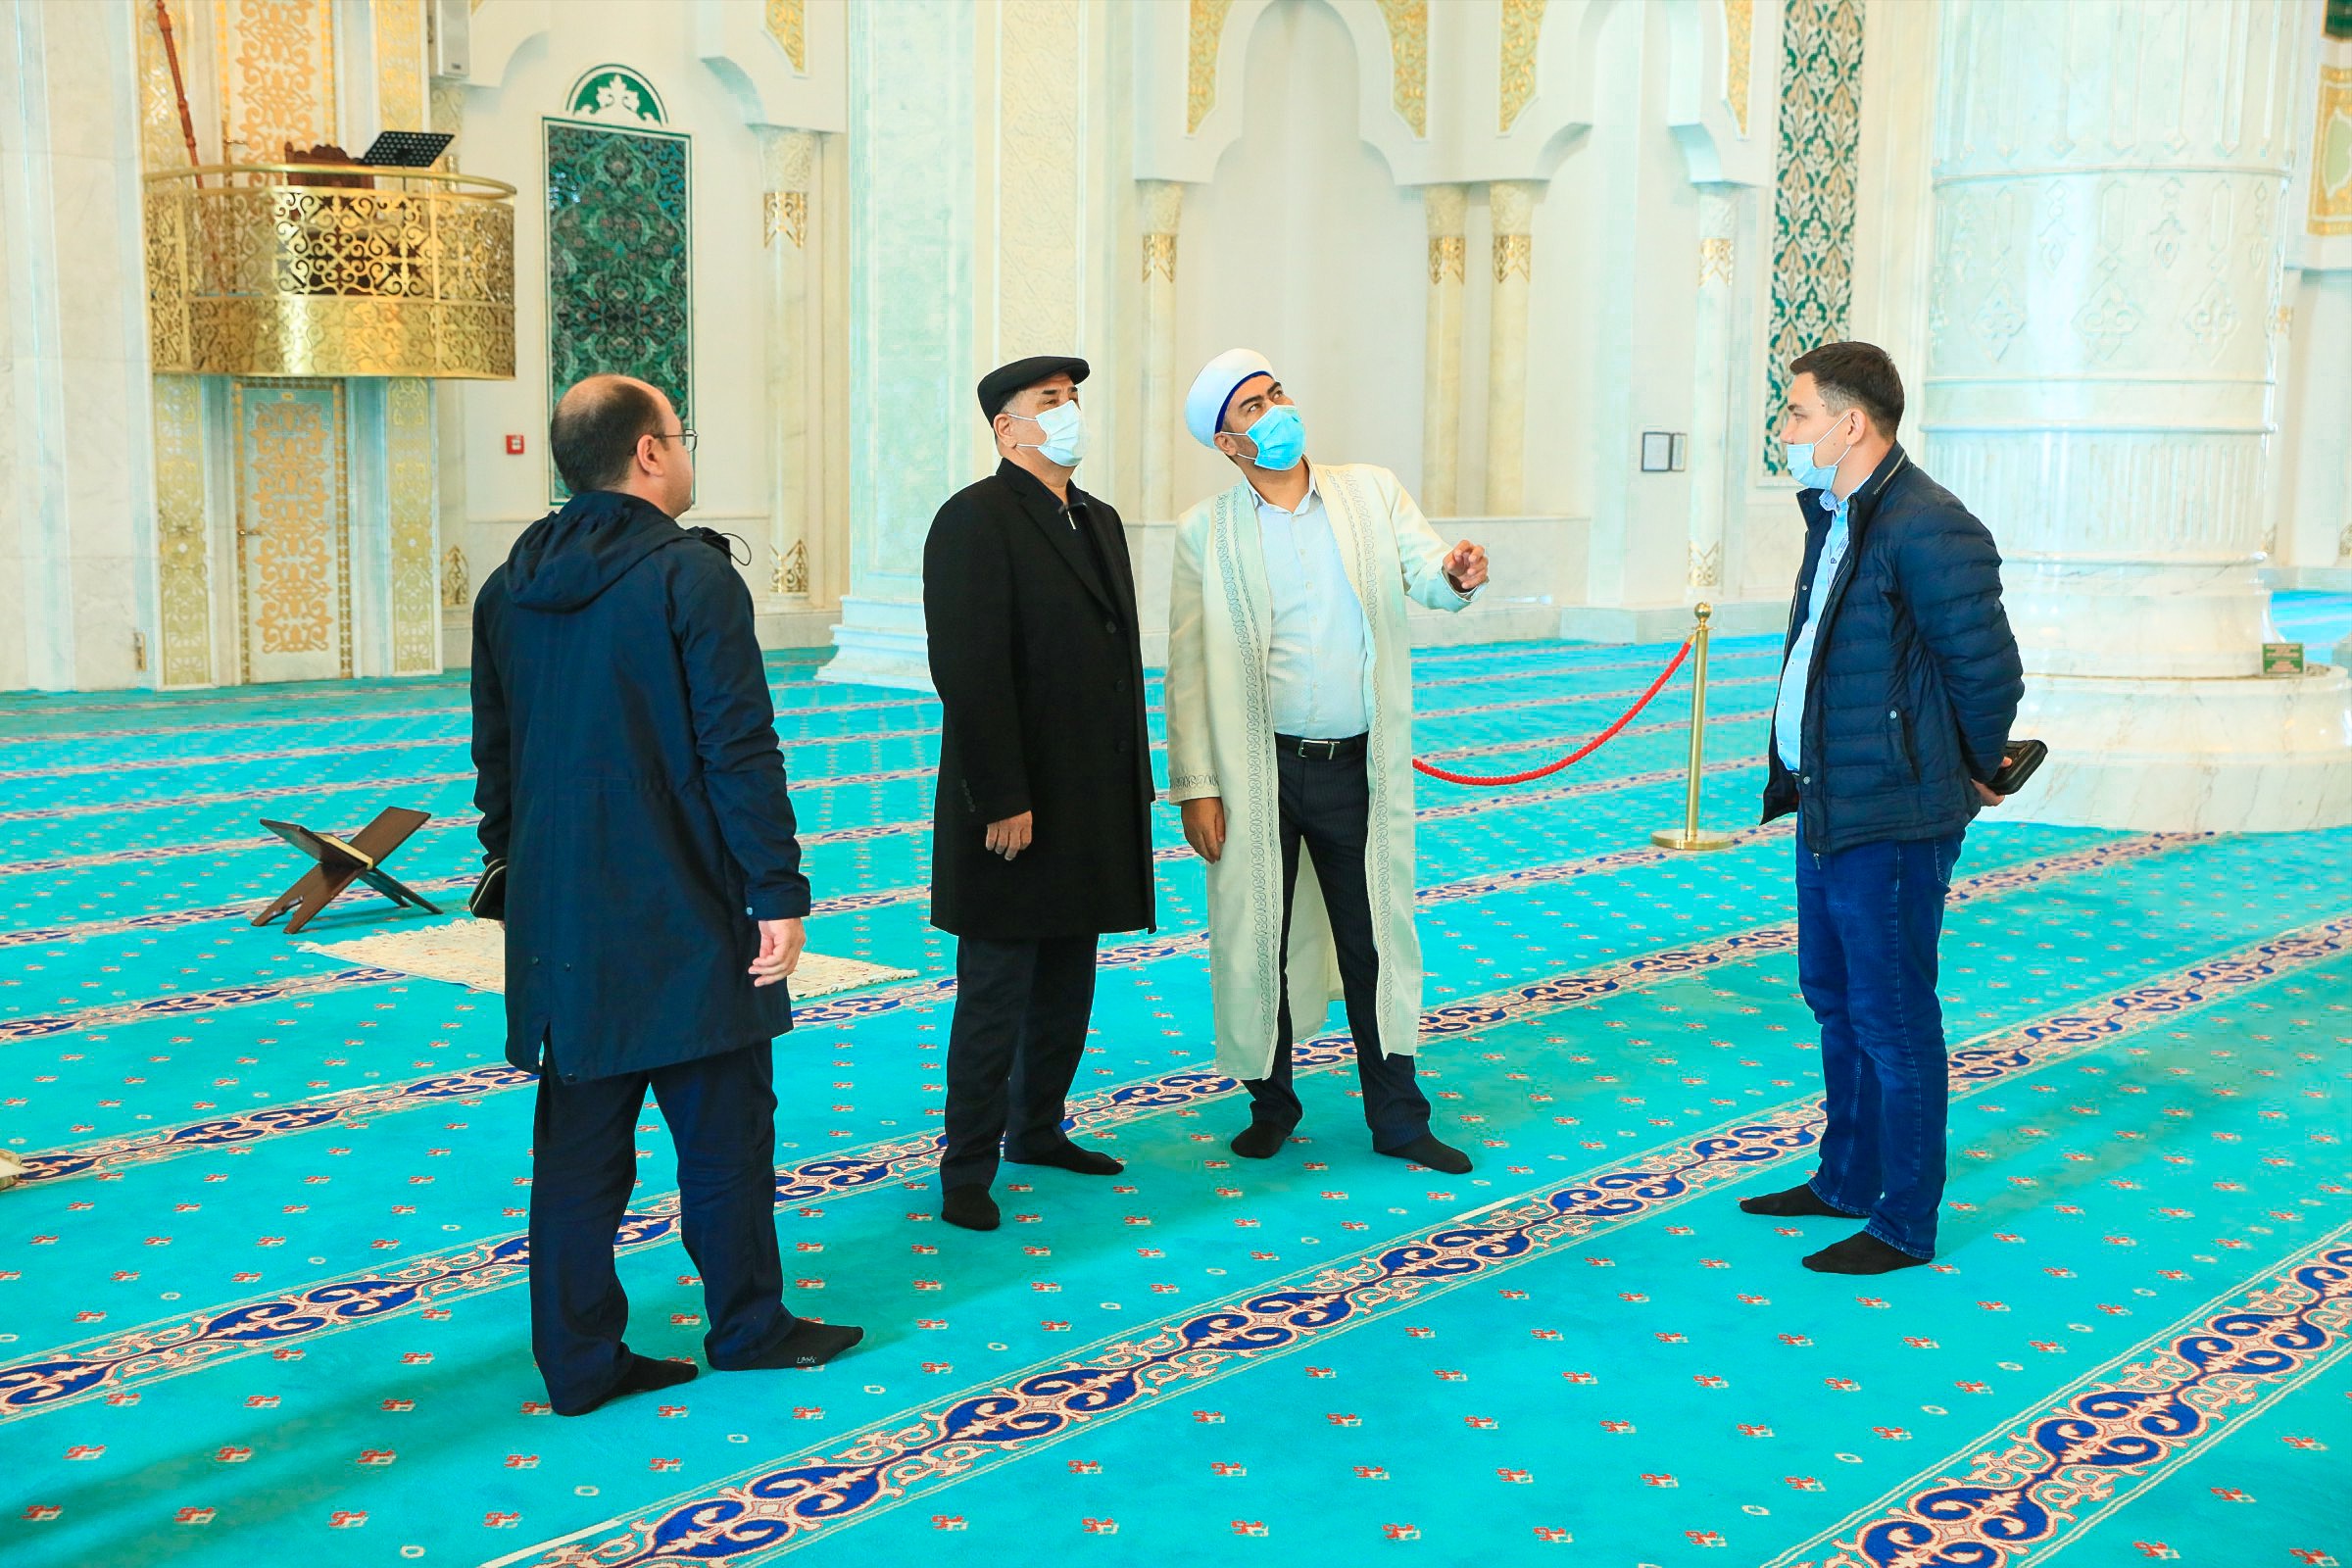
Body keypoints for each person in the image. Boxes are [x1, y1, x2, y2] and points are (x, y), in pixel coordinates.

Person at [471, 374, 861, 1415]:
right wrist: (776, 887)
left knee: (577, 1155)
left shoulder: (508, 587)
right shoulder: (692, 576)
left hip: (563, 923)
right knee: (724, 1136)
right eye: (680, 436)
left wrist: (525, 874)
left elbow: (496, 761)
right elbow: (739, 748)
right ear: (649, 453)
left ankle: (578, 1362)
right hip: (687, 909)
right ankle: (748, 1325)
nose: (686, 453)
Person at [1738, 341, 2024, 1276]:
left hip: (1894, 814)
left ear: (1850, 423)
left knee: (1893, 1018)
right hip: (1831, 798)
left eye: (1797, 414)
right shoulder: (1838, 515)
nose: (1786, 431)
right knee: (1836, 1000)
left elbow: (1988, 672)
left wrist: (1968, 775)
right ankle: (1846, 1178)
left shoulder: (1930, 525)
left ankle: (1904, 1220)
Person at [1164, 349, 1487, 1175]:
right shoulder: (1206, 530)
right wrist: (1196, 787)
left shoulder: (1369, 493)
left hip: (1355, 770)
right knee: (1258, 939)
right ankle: (1271, 1104)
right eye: (1253, 408)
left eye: (1276, 393)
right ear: (1228, 443)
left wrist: (1455, 577)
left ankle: (1399, 1117)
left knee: (1374, 939)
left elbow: (1427, 570)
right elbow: (1188, 667)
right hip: (1256, 772)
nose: (1275, 411)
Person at [922, 355, 1154, 1233]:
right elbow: (969, 669)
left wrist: (1132, 785)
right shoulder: (974, 518)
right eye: (1050, 400)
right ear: (1007, 427)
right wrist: (1001, 795)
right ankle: (966, 1168)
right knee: (997, 991)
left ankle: (1039, 1128)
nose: (1069, 412)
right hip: (1014, 802)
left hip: (1089, 795)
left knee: (1067, 978)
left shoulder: (1097, 518)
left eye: (1074, 398)